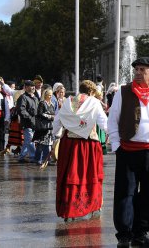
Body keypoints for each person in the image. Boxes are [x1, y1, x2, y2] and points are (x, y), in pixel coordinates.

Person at [108, 57, 149, 247]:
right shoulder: (123, 92)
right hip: (128, 151)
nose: (138, 72)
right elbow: (112, 120)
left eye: (142, 70)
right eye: (136, 69)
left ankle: (140, 233)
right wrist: (117, 146)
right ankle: (124, 235)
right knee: (125, 194)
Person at [53, 80, 107, 221]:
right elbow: (103, 123)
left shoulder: (68, 101)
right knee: (88, 175)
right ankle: (90, 205)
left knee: (70, 175)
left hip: (69, 144)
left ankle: (68, 208)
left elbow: (57, 121)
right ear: (91, 92)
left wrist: (56, 136)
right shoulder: (94, 102)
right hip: (88, 144)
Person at [17, 80, 39, 163]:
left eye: (33, 86)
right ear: (26, 87)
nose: (33, 87)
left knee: (27, 141)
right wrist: (29, 117)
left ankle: (21, 156)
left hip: (35, 123)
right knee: (30, 140)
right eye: (31, 86)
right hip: (27, 123)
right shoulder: (23, 97)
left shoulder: (36, 98)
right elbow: (21, 110)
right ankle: (34, 157)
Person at [33, 88, 55, 165]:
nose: (50, 96)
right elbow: (40, 114)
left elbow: (54, 114)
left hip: (50, 127)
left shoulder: (52, 104)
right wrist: (50, 116)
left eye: (51, 95)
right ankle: (38, 159)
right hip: (42, 127)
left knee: (48, 144)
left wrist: (52, 116)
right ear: (45, 95)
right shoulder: (42, 103)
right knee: (41, 144)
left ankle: (46, 160)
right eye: (49, 95)